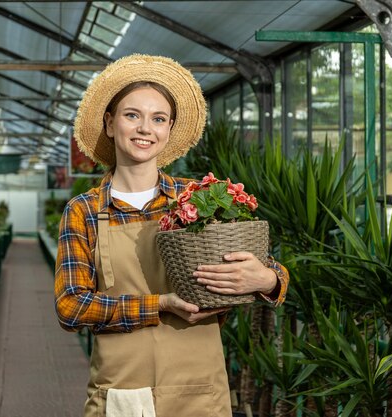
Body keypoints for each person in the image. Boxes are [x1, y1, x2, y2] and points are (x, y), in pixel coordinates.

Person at [54, 54, 289, 417]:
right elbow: (71, 307)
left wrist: (267, 278)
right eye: (132, 115)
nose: (145, 128)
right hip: (122, 395)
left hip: (200, 394)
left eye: (158, 118)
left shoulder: (197, 200)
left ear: (168, 130)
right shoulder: (84, 210)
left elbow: (271, 270)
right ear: (110, 123)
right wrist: (160, 304)